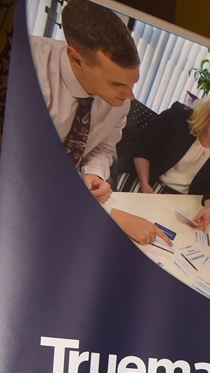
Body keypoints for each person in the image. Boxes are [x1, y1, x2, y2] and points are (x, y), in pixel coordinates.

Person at [29, 0, 167, 246]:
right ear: (76, 59)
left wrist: (93, 173)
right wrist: (110, 216)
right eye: (117, 84)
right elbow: (28, 173)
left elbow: (103, 146)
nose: (130, 96)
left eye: (133, 84)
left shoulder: (120, 102)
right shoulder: (28, 69)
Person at [119, 92, 210, 232]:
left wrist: (209, 210)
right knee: (128, 220)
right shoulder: (180, 116)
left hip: (179, 199)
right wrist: (144, 182)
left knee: (165, 234)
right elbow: (143, 145)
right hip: (145, 177)